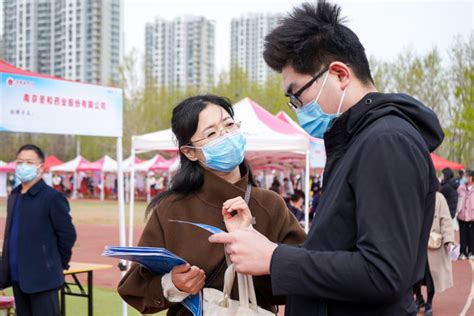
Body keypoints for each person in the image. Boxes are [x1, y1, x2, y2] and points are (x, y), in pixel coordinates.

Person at [209, 1, 444, 315]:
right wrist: (261, 246)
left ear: (339, 74)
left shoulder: (386, 141)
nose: (297, 107)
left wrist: (275, 258)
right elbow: (338, 246)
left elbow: (385, 272)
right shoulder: (355, 140)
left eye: (297, 94)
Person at [117, 95, 306, 315]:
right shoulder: (170, 209)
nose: (225, 135)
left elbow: (304, 277)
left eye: (229, 125)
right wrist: (172, 285)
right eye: (211, 133)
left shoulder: (270, 204)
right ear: (189, 152)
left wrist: (263, 257)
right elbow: (135, 288)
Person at [0, 144, 76, 316]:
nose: (23, 166)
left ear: (40, 168)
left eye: (29, 162)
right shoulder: (15, 195)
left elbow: (67, 235)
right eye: (20, 162)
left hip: (43, 279)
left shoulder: (52, 197)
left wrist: (55, 263)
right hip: (18, 278)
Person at [414, 188, 455, 315]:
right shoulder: (415, 194)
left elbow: (446, 220)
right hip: (417, 245)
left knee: (432, 278)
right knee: (414, 277)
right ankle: (419, 298)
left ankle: (429, 303)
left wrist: (448, 240)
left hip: (433, 246)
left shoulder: (439, 198)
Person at [457, 170, 474, 260]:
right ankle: (463, 252)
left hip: (472, 216)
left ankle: (472, 252)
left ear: (472, 178)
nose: (465, 178)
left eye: (467, 176)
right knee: (462, 235)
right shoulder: (461, 188)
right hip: (462, 215)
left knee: (472, 235)